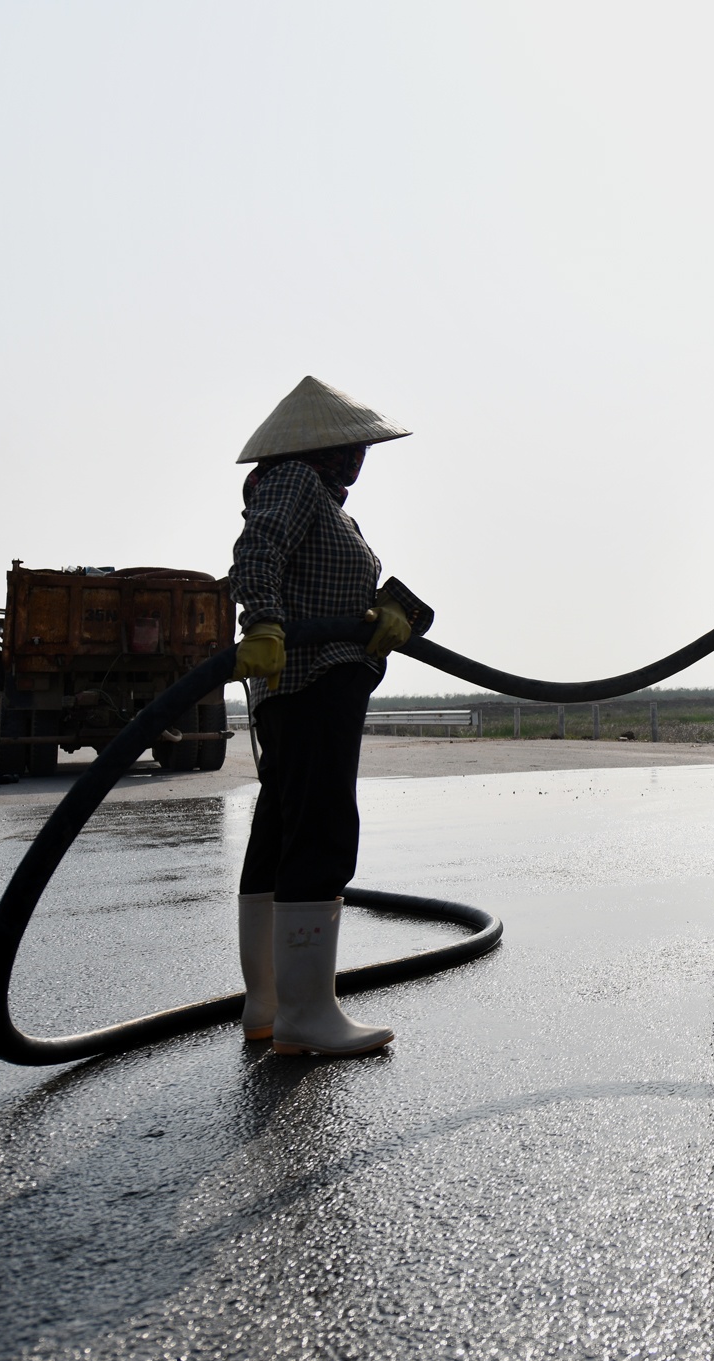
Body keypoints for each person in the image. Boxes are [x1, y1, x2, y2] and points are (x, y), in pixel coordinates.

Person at [230, 376, 416, 1056]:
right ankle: (307, 1014)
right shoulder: (295, 483)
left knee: (282, 829)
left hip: (311, 680)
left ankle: (270, 1004)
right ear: (326, 445)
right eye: (352, 446)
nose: (359, 459)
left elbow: (321, 575)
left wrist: (381, 613)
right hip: (310, 678)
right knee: (321, 831)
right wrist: (267, 620)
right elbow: (258, 552)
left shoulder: (328, 503)